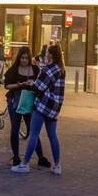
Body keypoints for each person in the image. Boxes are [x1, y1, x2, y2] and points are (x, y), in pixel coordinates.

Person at [11, 42, 64, 175]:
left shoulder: (47, 69)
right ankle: (57, 166)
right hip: (54, 107)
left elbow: (38, 87)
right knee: (53, 136)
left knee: (34, 134)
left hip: (42, 105)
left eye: (46, 54)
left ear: (50, 55)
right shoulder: (61, 69)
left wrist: (30, 84)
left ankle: (24, 164)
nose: (45, 56)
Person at [2, 45, 49, 167]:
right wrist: (19, 85)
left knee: (33, 130)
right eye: (22, 58)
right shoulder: (14, 69)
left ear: (29, 58)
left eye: (26, 58)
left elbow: (40, 84)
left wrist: (33, 84)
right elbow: (6, 85)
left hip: (29, 102)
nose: (24, 60)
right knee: (15, 129)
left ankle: (41, 157)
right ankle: (16, 157)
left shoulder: (35, 69)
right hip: (16, 101)